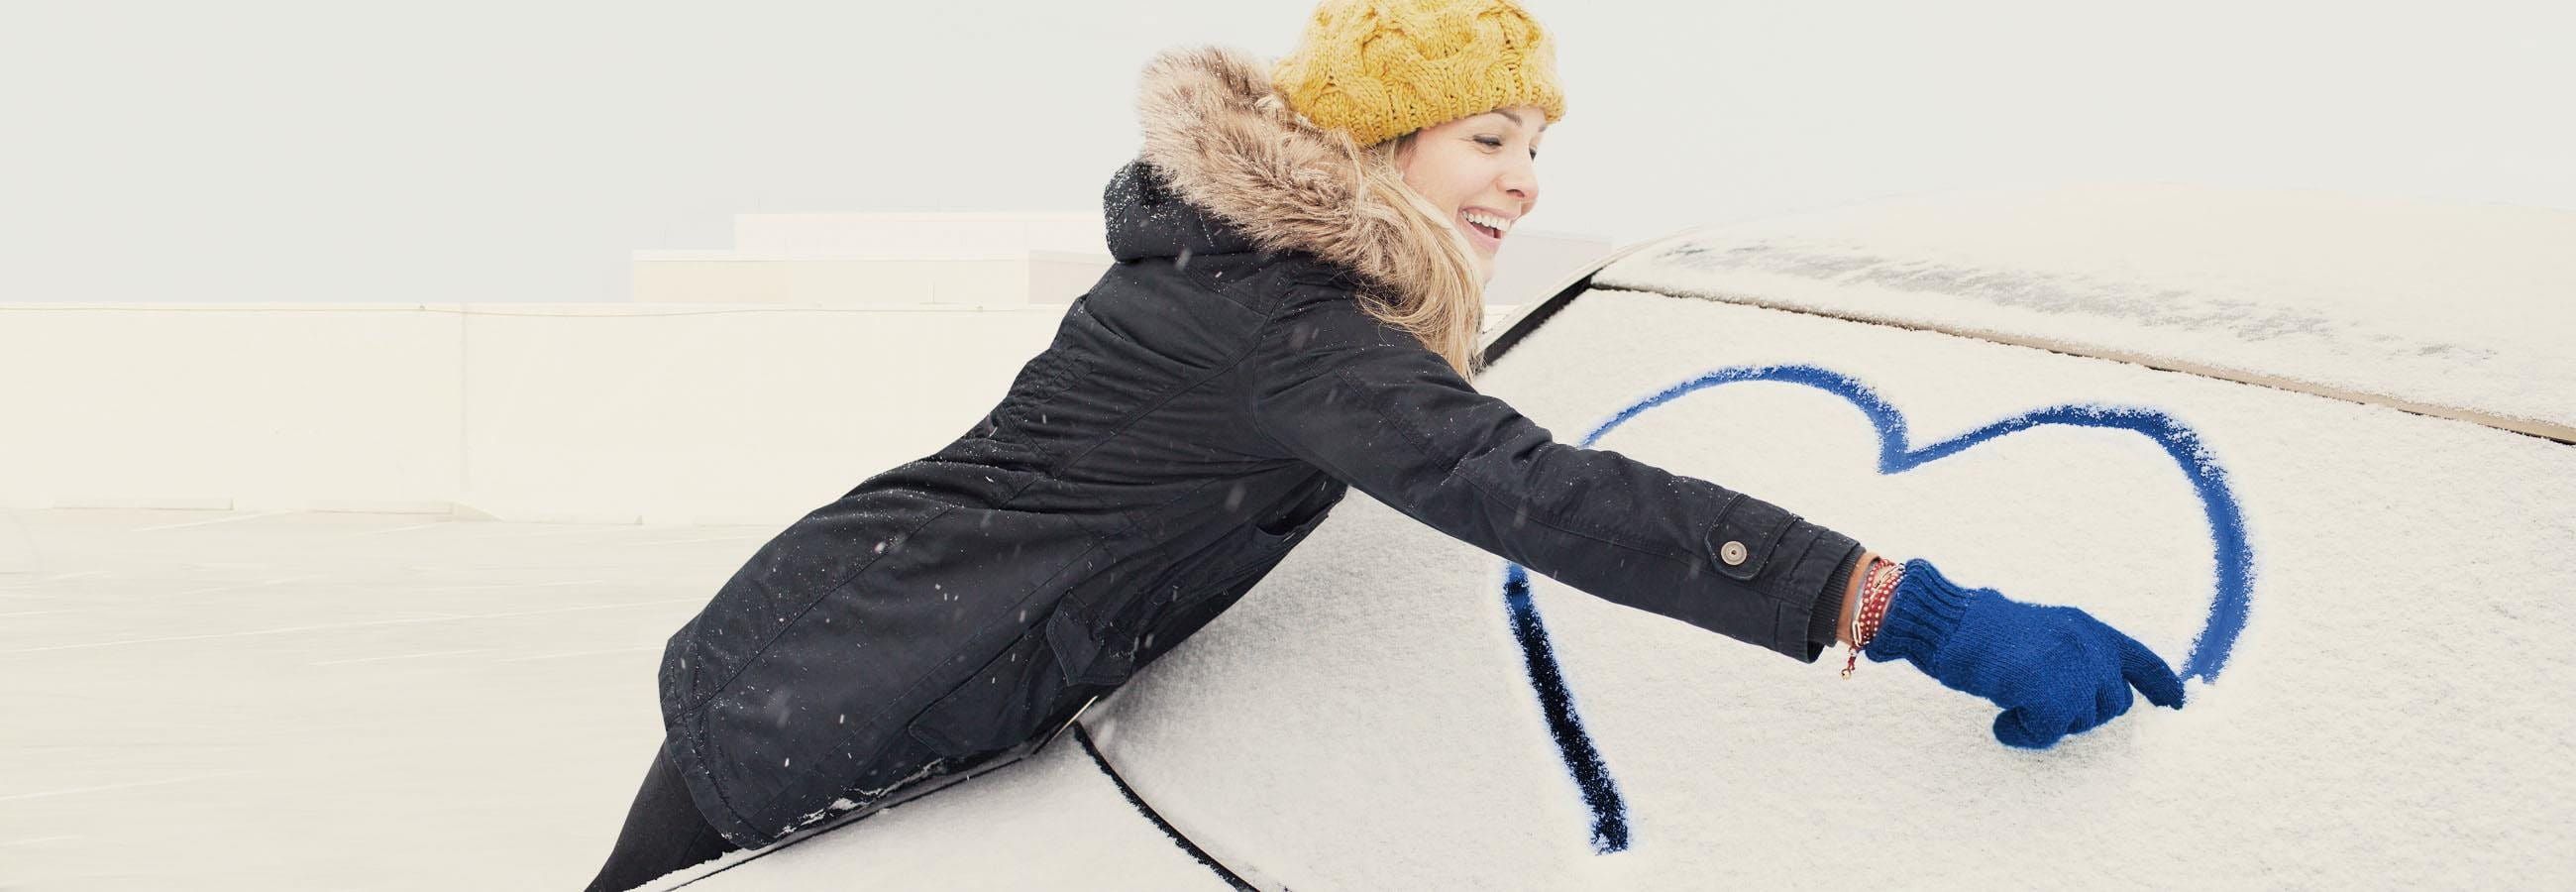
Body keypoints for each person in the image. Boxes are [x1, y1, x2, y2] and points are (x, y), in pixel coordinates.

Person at [581, 1, 2185, 888]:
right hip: (829, 692)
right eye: (1491, 139)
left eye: (1539, 146)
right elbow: (1519, 488)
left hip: (859, 646)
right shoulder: (1277, 320)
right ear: (1374, 144)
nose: (1525, 181)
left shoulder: (1270, 285)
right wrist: (1900, 609)